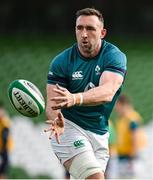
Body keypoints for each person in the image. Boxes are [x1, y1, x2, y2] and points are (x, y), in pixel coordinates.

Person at [45, 8, 127, 179]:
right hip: (68, 128)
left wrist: (74, 98)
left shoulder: (114, 56)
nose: (83, 34)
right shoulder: (61, 62)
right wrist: (56, 118)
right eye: (79, 28)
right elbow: (52, 103)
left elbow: (107, 92)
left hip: (100, 133)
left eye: (90, 29)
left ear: (102, 33)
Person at [114, 94, 147, 178]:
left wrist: (133, 158)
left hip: (130, 157)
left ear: (123, 104)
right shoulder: (121, 118)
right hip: (123, 156)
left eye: (116, 105)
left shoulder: (131, 118)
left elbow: (135, 137)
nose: (115, 108)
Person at [0, 102, 13, 179]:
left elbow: (5, 136)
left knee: (3, 170)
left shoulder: (5, 121)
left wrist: (3, 149)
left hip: (4, 149)